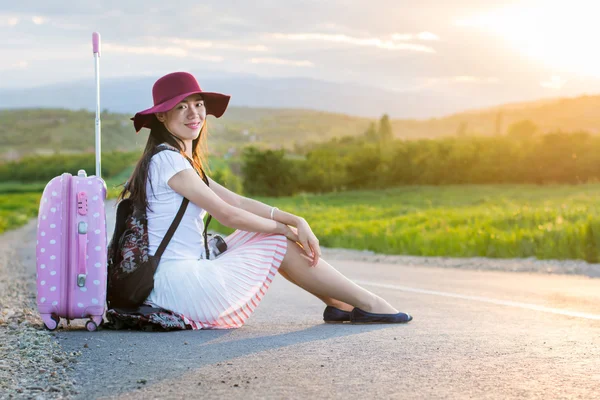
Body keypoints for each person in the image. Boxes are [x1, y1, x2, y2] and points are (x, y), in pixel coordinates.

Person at [124, 71, 412, 329]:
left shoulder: (178, 161)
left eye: (198, 104)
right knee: (275, 240)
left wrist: (295, 219)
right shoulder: (169, 161)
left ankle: (339, 304)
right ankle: (369, 302)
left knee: (269, 234)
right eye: (181, 107)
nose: (194, 113)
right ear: (161, 116)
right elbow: (229, 215)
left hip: (173, 282)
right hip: (178, 288)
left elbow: (238, 202)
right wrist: (283, 230)